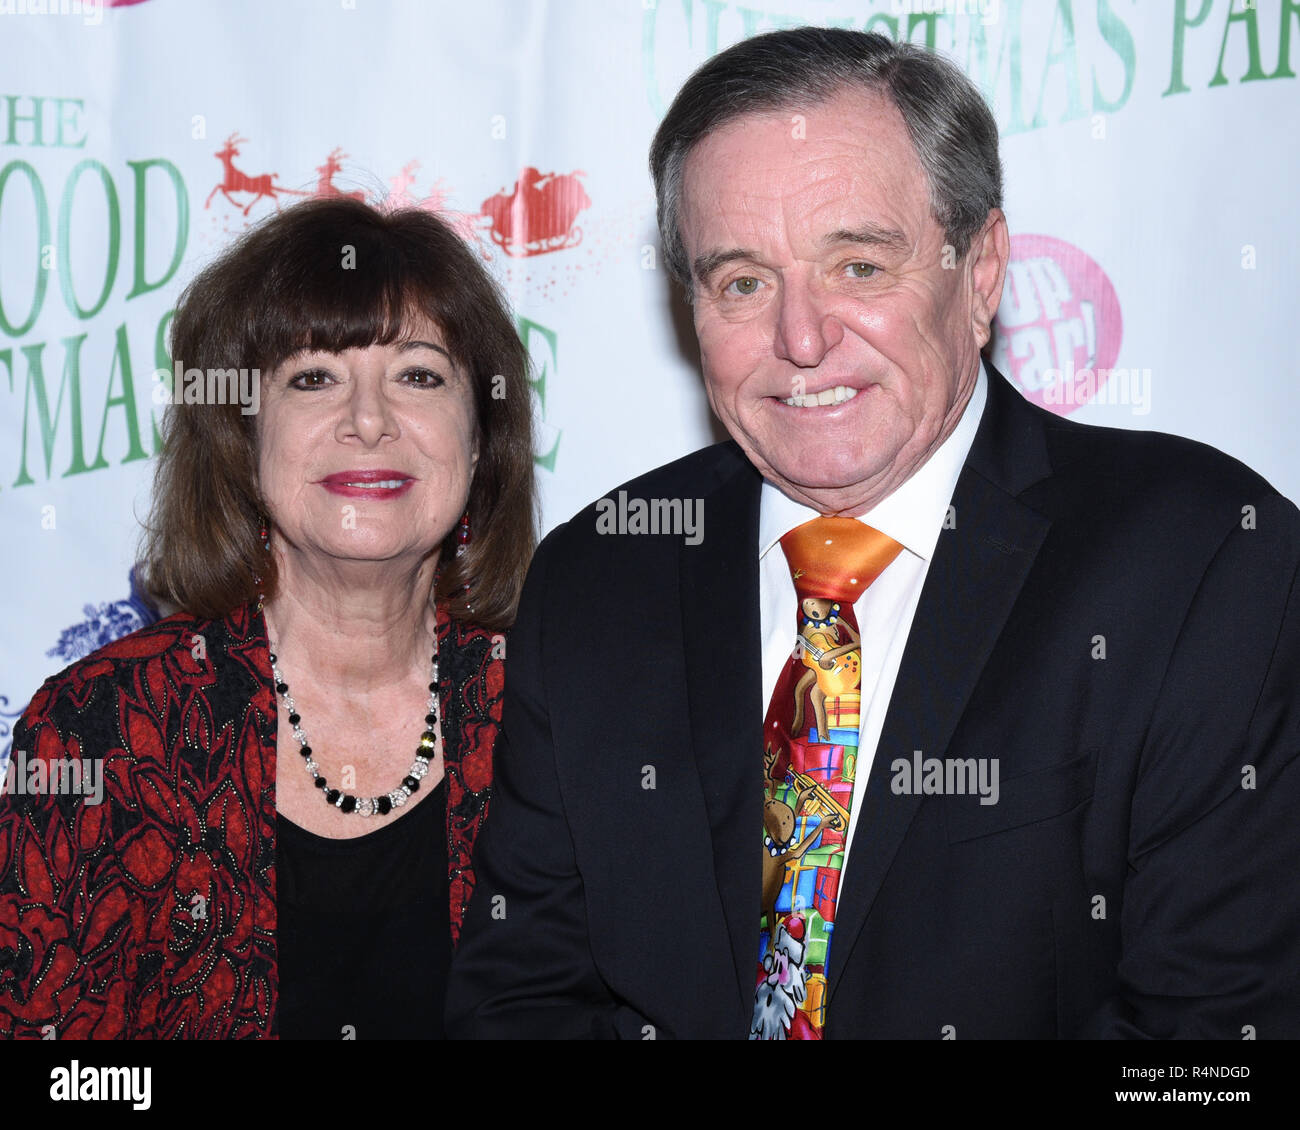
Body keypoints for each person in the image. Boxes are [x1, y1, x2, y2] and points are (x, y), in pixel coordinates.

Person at [446, 27, 1300, 1039]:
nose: (801, 339)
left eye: (857, 265)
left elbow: (1215, 1039)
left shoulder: (1199, 558)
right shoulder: (601, 572)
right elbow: (521, 996)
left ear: (980, 270)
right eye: (742, 282)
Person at [0, 197, 536, 1039]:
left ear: (480, 441)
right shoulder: (99, 731)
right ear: (242, 440)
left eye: (419, 375)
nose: (369, 420)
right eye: (314, 377)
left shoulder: (555, 715)